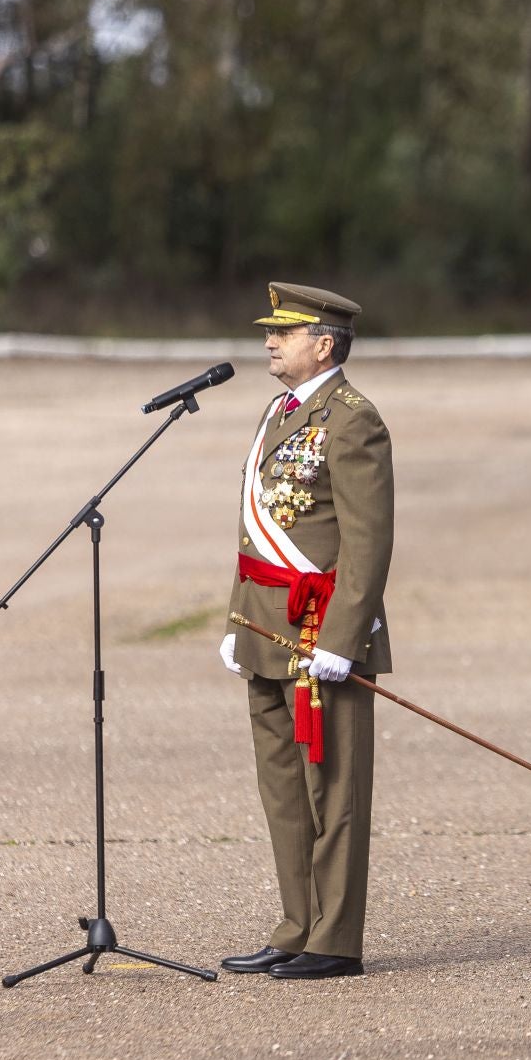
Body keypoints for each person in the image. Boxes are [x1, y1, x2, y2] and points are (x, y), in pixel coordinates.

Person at [217, 282, 394, 982]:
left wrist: (342, 641)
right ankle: (297, 926)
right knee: (284, 790)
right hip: (266, 628)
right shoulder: (278, 410)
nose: (269, 341)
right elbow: (255, 529)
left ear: (323, 344)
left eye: (283, 333)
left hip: (322, 634)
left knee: (335, 789)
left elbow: (367, 541)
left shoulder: (353, 420)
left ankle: (336, 939)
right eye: (270, 331)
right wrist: (237, 619)